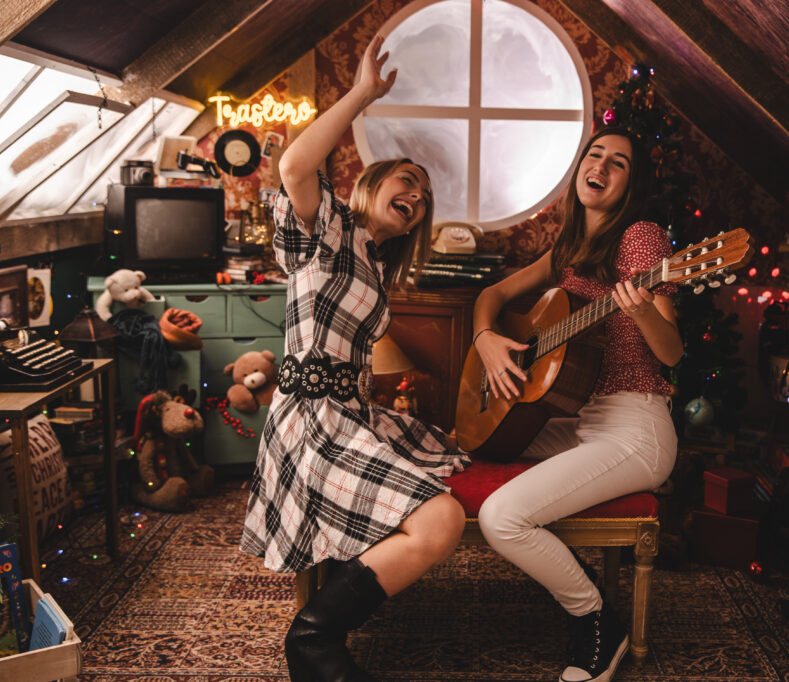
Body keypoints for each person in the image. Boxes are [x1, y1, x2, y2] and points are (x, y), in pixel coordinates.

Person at [239, 35, 468, 682]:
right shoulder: (328, 230)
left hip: (346, 414)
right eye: (408, 181)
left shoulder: (371, 262)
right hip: (310, 423)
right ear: (370, 185)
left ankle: (328, 616)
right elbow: (291, 167)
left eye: (424, 195)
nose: (418, 197)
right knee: (442, 517)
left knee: (440, 494)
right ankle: (312, 640)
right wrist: (363, 95)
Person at [472, 126, 682, 682]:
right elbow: (490, 297)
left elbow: (673, 352)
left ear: (630, 187)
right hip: (586, 419)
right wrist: (485, 339)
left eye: (620, 164)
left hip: (637, 427)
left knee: (502, 516)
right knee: (478, 446)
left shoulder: (640, 237)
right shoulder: (570, 245)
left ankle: (595, 621)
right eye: (596, 155)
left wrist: (640, 312)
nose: (603, 167)